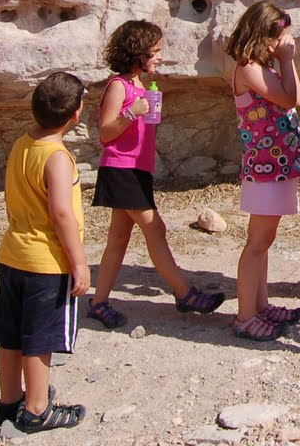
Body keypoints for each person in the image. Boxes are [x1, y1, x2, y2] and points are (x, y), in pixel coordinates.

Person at [86, 19, 224, 327]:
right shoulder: (118, 86)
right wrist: (130, 113)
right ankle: (185, 293)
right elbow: (106, 133)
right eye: (156, 51)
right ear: (138, 51)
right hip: (122, 169)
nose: (160, 57)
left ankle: (98, 302)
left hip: (137, 169)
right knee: (155, 228)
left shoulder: (139, 86)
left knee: (118, 238)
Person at [0, 71, 90, 433]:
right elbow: (61, 213)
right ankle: (36, 409)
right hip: (47, 262)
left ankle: (9, 400)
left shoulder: (22, 144)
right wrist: (79, 263)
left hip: (14, 254)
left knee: (9, 333)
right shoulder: (57, 157)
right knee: (39, 338)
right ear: (75, 114)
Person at [223, 1, 300, 341]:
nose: (281, 43)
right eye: (276, 36)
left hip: (277, 167)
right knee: (256, 243)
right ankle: (245, 317)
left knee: (264, 241)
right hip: (265, 169)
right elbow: (289, 100)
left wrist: (285, 62)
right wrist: (287, 60)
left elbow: (293, 96)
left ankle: (260, 305)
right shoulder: (248, 69)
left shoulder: (264, 68)